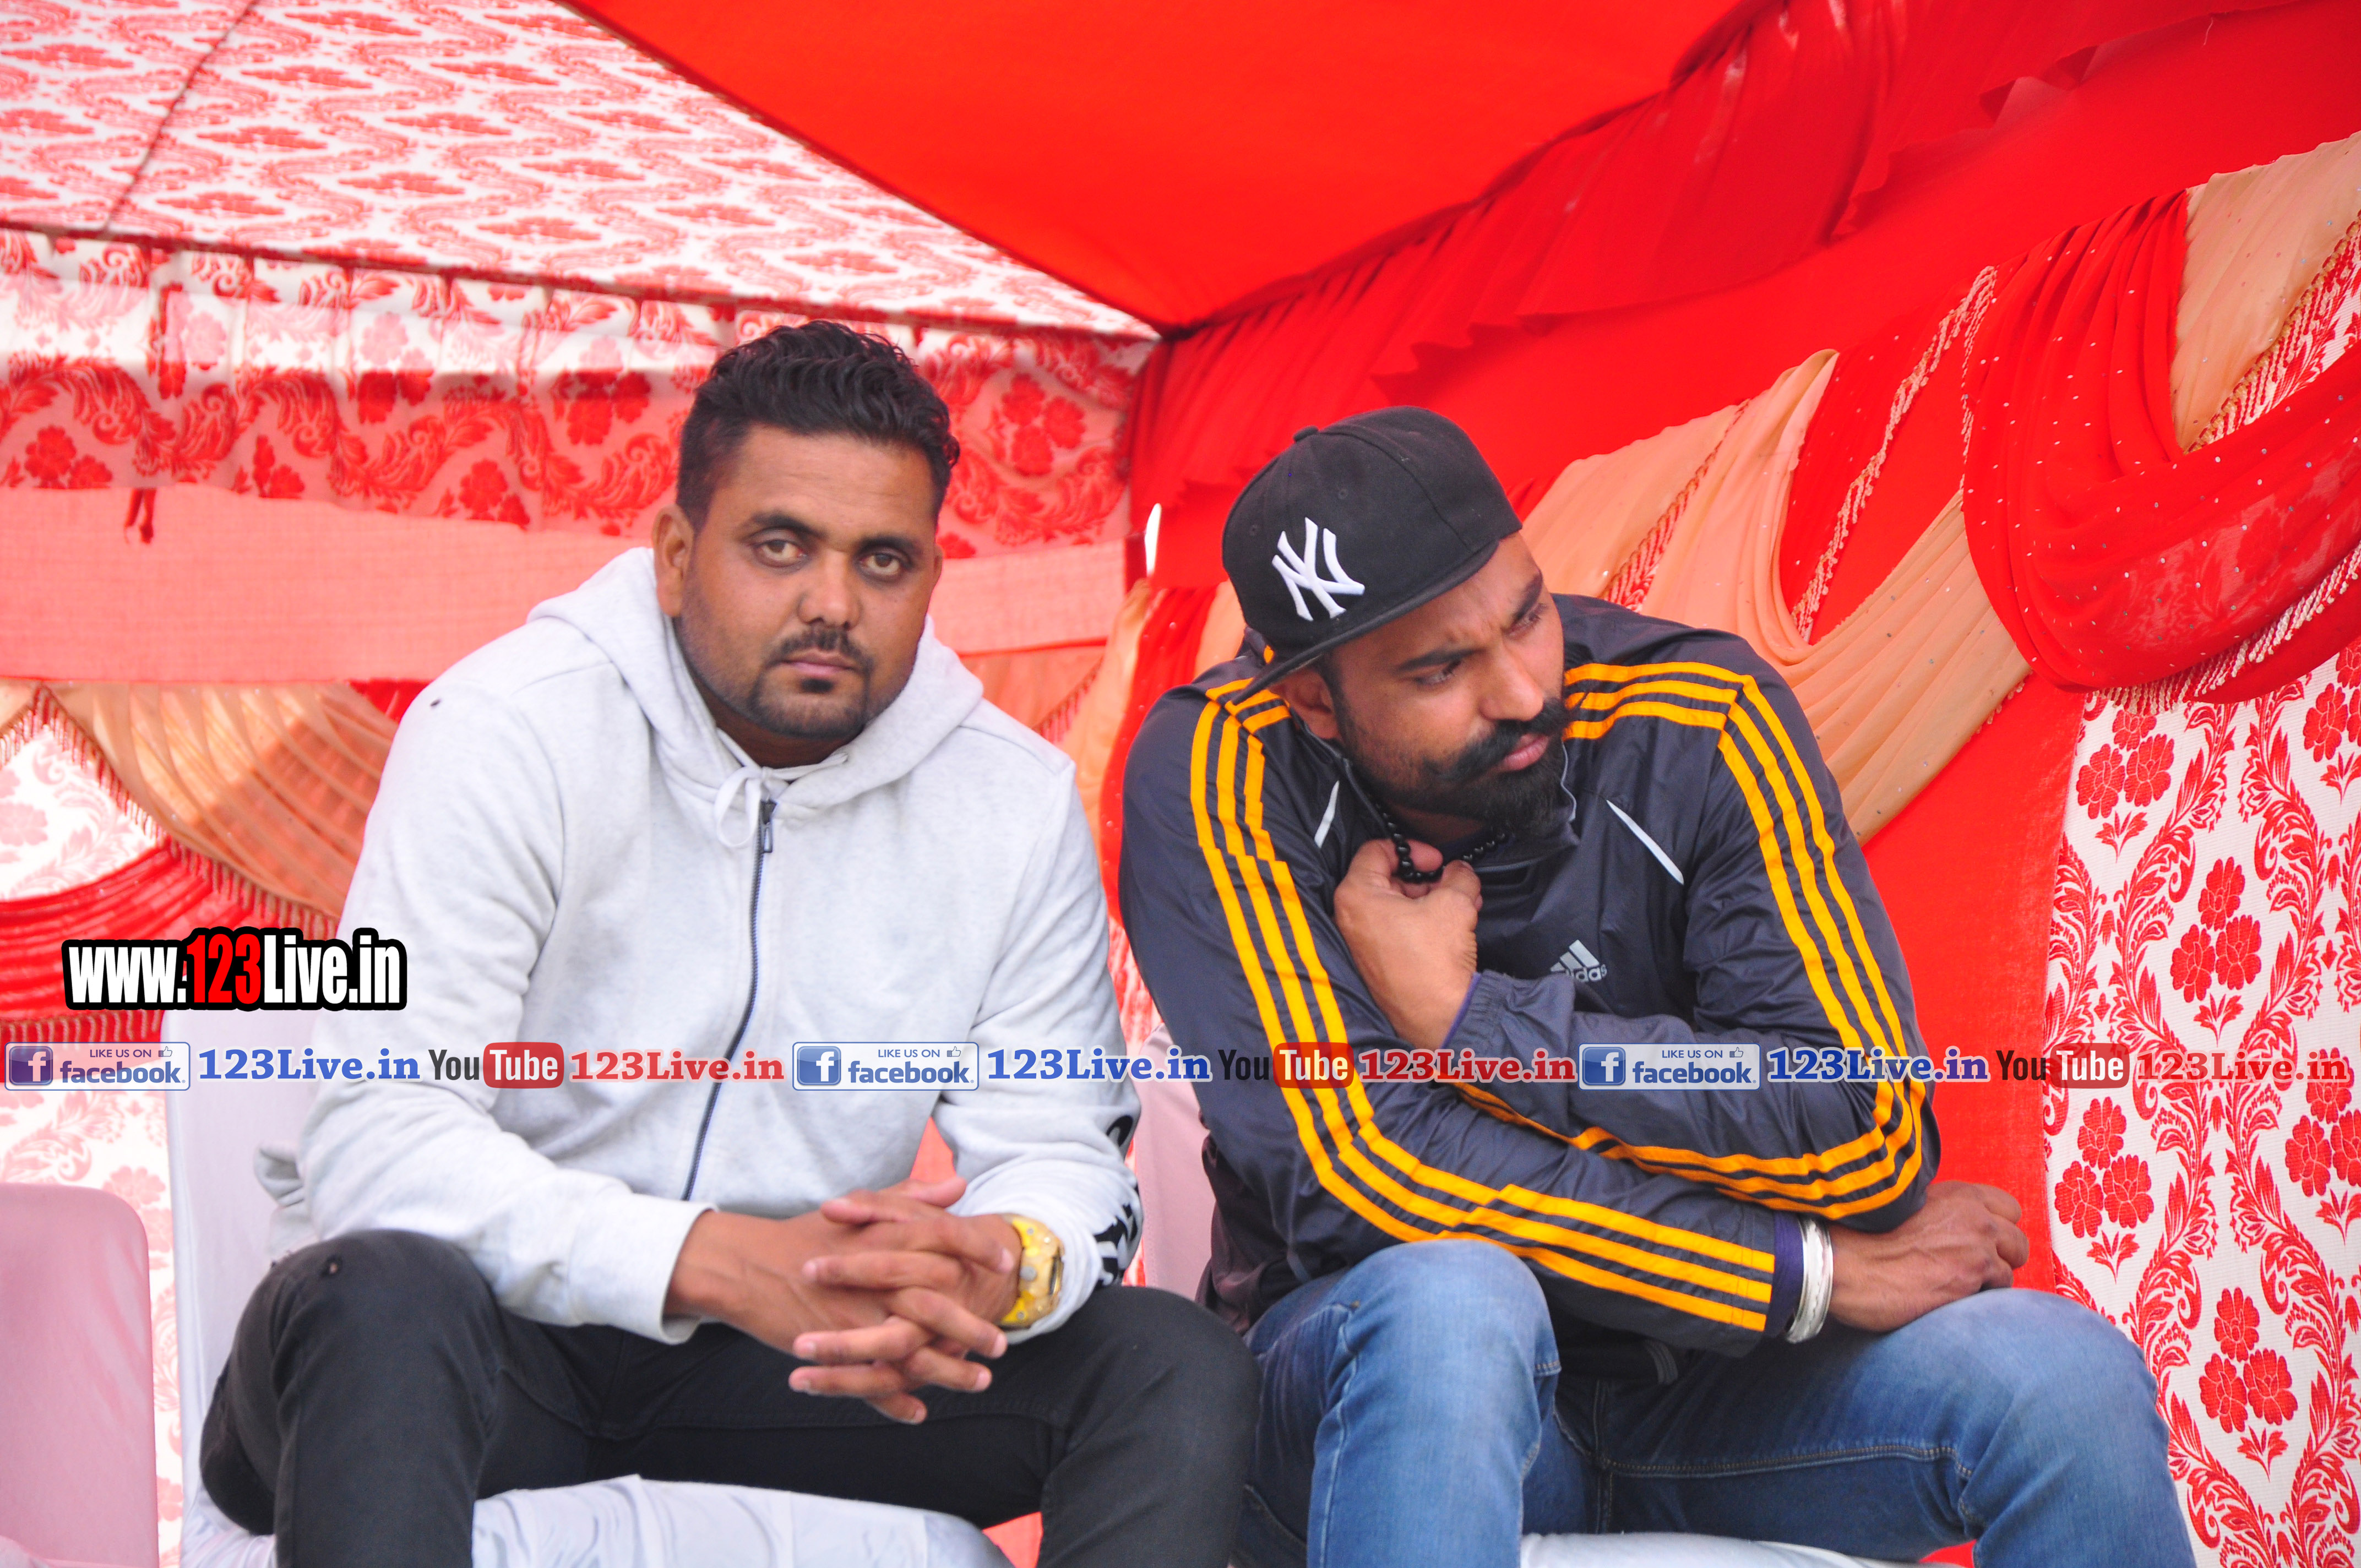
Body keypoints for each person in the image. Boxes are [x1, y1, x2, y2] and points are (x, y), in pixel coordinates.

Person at [200, 322, 1256, 1568]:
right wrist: (705, 1259)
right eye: (780, 545)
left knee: (1165, 1364)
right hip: (467, 1349)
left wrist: (1003, 1262)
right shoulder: (508, 729)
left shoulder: (1007, 800)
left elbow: (1059, 1145)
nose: (832, 603)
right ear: (673, 554)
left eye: (882, 560)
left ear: (931, 574)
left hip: (789, 1364)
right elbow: (382, 1134)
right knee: (382, 1292)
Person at [1118, 409, 2189, 1568]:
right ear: (1317, 704)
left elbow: (1865, 1124)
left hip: (1707, 1394)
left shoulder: (1700, 719)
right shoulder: (1220, 768)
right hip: (1380, 1389)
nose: (1523, 690)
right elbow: (1366, 1170)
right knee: (1456, 1305)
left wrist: (1481, 1027)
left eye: (1527, 614)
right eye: (1440, 669)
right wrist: (1802, 1273)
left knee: (2063, 1381)